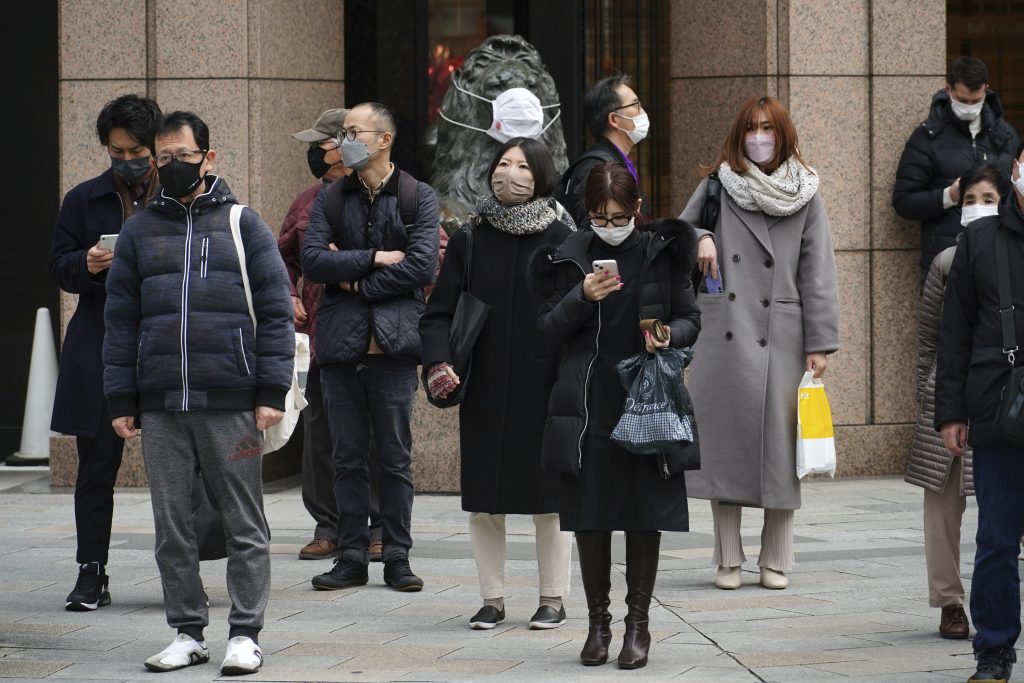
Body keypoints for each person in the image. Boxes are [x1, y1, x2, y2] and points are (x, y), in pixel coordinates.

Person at [103, 111, 293, 675]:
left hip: (232, 398)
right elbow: (121, 322)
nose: (172, 166)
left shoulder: (243, 224)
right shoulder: (138, 231)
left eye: (183, 156)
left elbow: (277, 313)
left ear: (208, 158)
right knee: (172, 527)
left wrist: (272, 390)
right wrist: (121, 398)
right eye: (163, 158)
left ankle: (245, 633)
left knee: (243, 522)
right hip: (160, 403)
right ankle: (186, 631)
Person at [530, 161, 700, 669]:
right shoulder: (567, 255)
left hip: (646, 399)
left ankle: (638, 626)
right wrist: (581, 297)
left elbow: (691, 318)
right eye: (599, 218)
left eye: (618, 216)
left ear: (638, 211)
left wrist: (667, 335)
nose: (609, 226)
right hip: (588, 403)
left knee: (644, 514)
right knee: (591, 516)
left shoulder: (660, 253)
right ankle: (597, 624)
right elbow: (546, 330)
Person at [680, 95, 840, 592]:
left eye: (768, 128)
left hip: (784, 337)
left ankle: (777, 557)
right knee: (724, 446)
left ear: (783, 134)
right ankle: (728, 558)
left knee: (779, 451)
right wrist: (701, 237)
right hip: (724, 329)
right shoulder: (717, 185)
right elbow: (675, 236)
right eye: (750, 128)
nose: (758, 137)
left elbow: (818, 273)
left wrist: (821, 342)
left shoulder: (806, 193)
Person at [419, 137, 576, 630]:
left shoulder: (565, 239)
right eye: (502, 164)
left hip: (546, 385)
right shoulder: (471, 238)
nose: (509, 174)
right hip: (484, 385)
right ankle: (492, 598)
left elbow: (582, 315)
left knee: (549, 499)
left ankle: (553, 597)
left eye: (522, 166)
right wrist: (438, 362)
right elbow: (438, 314)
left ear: (543, 176)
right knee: (485, 498)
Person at [302, 102, 439, 593]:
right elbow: (314, 260)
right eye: (342, 133)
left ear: (384, 139)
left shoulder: (417, 196)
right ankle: (352, 555)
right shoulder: (331, 199)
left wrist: (356, 282)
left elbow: (422, 266)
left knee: (395, 458)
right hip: (341, 346)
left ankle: (397, 554)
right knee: (347, 457)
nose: (344, 140)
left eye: (353, 132)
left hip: (395, 345)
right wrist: (376, 259)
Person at [48, 93, 162, 612]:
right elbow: (59, 267)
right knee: (96, 468)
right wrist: (88, 265)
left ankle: (184, 571)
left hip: (167, 344)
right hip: (102, 343)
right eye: (115, 152)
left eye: (135, 150)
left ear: (155, 147)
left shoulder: (182, 194)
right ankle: (91, 570)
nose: (125, 160)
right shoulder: (83, 199)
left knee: (183, 467)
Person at [279, 107, 386, 562]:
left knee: (381, 435)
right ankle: (330, 525)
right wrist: (288, 295)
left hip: (378, 334)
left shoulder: (392, 193)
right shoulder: (306, 202)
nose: (313, 154)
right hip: (321, 335)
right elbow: (280, 257)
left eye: (320, 144)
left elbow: (422, 259)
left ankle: (382, 527)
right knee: (322, 433)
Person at [907, 163, 1008, 641]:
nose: (977, 208)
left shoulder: (1013, 255)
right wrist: (931, 395)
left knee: (1004, 508)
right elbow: (929, 340)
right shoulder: (946, 262)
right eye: (969, 200)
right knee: (942, 510)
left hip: (1002, 401)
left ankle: (1000, 600)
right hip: (947, 400)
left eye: (987, 199)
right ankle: (949, 602)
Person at [935, 144, 1024, 683]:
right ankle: (993, 653)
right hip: (997, 410)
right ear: (1016, 171)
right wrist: (951, 411)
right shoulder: (980, 240)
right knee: (996, 539)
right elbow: (955, 331)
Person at [892, 56, 1019, 284]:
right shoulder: (927, 137)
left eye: (976, 100)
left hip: (1002, 256)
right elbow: (904, 200)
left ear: (986, 90)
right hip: (948, 259)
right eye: (962, 100)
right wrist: (948, 196)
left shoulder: (1004, 135)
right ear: (948, 89)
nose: (969, 108)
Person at [555, 74, 652, 230]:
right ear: (614, 119)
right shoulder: (596, 169)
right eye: (635, 105)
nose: (643, 112)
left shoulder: (618, 160)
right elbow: (594, 231)